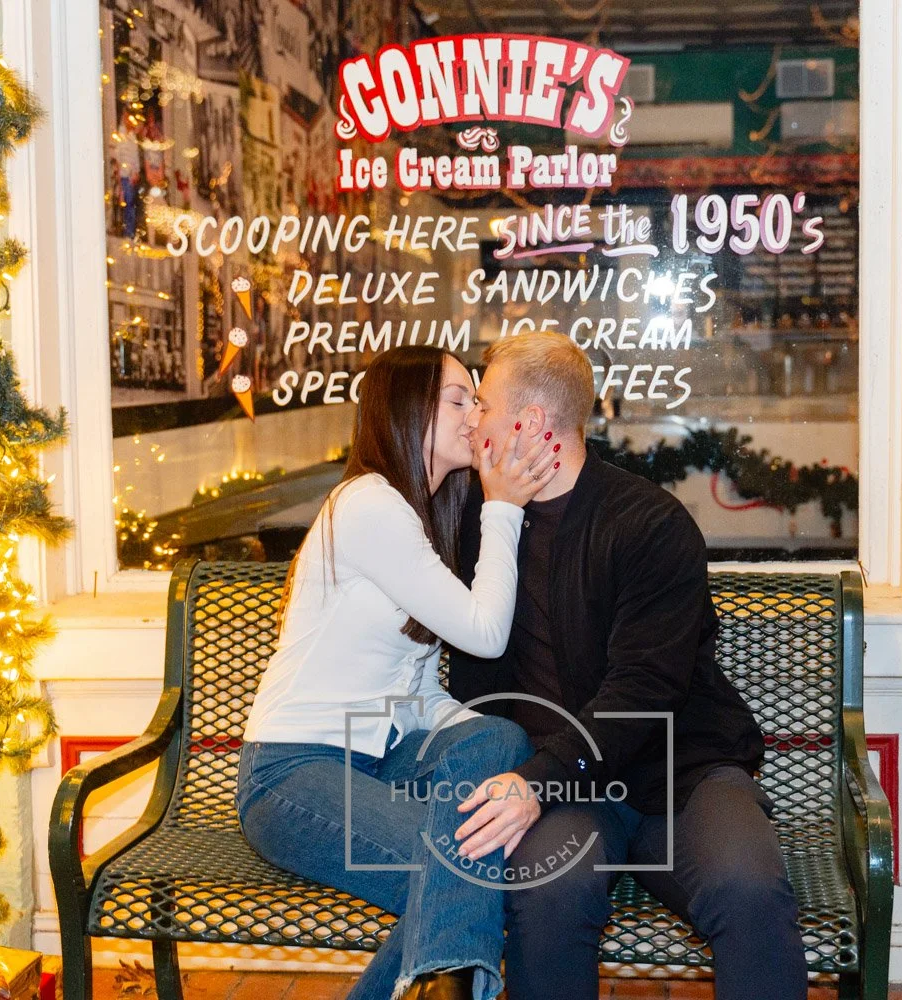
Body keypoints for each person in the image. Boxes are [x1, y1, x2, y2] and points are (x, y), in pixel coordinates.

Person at [451, 332, 809, 1000]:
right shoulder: (484, 524)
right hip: (570, 790)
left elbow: (644, 691)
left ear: (528, 424)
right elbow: (478, 683)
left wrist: (534, 781)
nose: (473, 422)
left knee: (748, 889)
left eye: (483, 404)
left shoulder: (647, 523)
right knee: (548, 896)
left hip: (681, 772)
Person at [236, 345, 558, 1000]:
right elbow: (485, 635)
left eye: (478, 397)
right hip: (289, 772)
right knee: (463, 869)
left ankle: (442, 982)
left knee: (500, 742)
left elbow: (417, 692)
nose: (477, 413)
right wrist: (504, 508)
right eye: (459, 397)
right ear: (408, 409)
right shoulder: (368, 505)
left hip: (375, 761)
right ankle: (449, 987)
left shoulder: (419, 516)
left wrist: (498, 758)